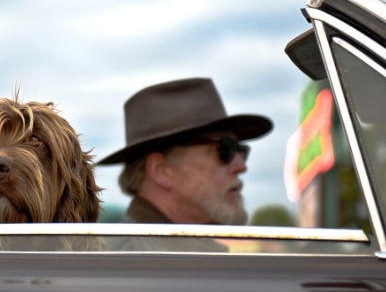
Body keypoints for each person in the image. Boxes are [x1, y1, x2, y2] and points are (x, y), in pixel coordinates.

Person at [98, 78, 272, 251]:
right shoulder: (120, 264)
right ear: (161, 171)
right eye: (224, 149)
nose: (241, 166)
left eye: (240, 150)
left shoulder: (182, 257)